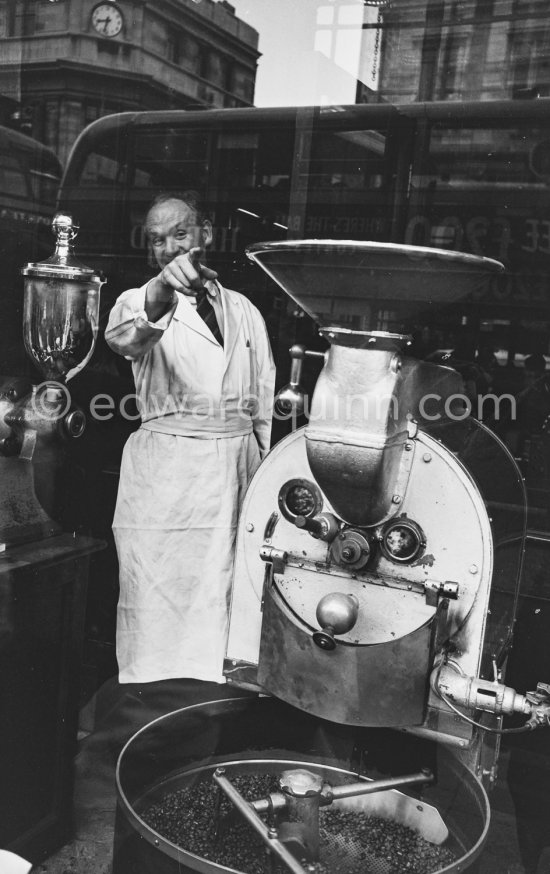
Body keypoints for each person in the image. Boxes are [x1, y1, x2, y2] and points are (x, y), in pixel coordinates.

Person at [105, 191, 275, 685]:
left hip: (237, 464)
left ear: (205, 235)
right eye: (156, 240)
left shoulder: (243, 310)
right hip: (169, 475)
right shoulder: (137, 301)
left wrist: (261, 470)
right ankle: (156, 701)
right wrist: (161, 286)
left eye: (179, 234)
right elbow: (127, 335)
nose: (168, 247)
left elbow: (261, 397)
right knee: (162, 598)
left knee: (224, 592)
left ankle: (215, 692)